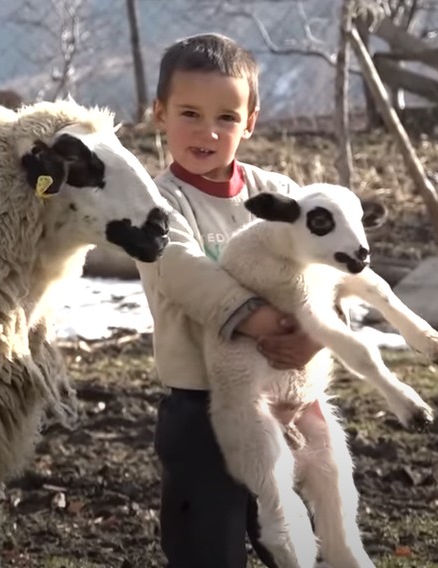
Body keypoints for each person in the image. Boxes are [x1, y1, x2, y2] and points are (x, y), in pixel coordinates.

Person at [135, 33, 324, 568]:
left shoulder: (276, 192)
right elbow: (184, 272)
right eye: (190, 113)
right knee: (206, 545)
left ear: (251, 122)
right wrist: (267, 322)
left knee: (291, 534)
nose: (208, 131)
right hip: (200, 408)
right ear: (159, 114)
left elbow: (322, 262)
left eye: (226, 117)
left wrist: (316, 327)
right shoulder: (158, 203)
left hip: (276, 403)